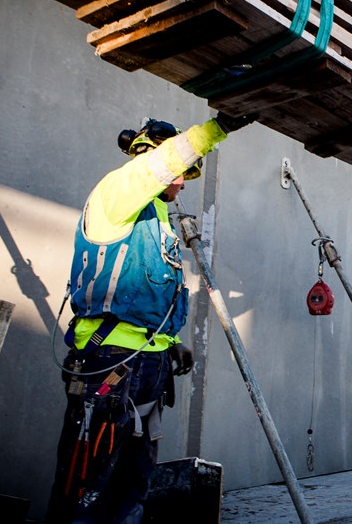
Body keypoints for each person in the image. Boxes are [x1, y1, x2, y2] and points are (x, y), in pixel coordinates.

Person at [47, 112, 251, 523]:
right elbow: (159, 167)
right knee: (89, 484)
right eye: (179, 172)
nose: (181, 181)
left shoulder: (155, 218)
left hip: (145, 364)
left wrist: (169, 343)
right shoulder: (117, 194)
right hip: (111, 360)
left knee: (132, 481)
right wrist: (219, 127)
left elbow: (144, 292)